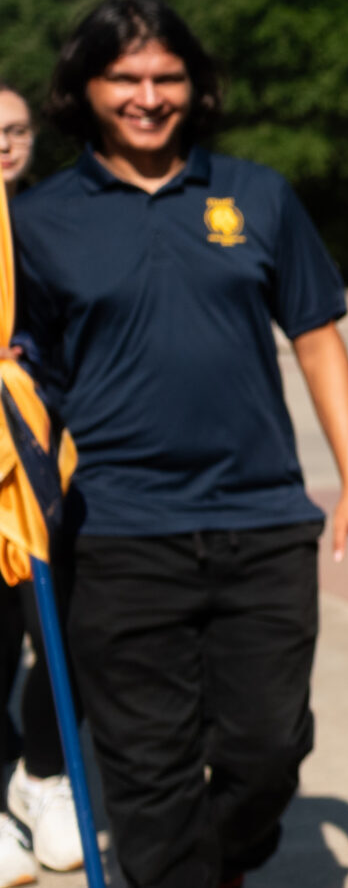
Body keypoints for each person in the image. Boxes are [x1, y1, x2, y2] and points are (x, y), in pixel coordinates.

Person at [10, 0, 348, 888]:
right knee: (150, 769)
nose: (149, 96)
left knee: (270, 748)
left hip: (261, 522)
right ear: (85, 89)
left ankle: (204, 865)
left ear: (196, 86)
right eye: (125, 79)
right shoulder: (35, 223)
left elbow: (315, 337)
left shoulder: (256, 194)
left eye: (167, 77)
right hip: (111, 533)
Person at [0, 79, 57, 886]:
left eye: (13, 129)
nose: (3, 145)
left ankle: (43, 772)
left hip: (48, 461)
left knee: (62, 632)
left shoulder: (53, 223)